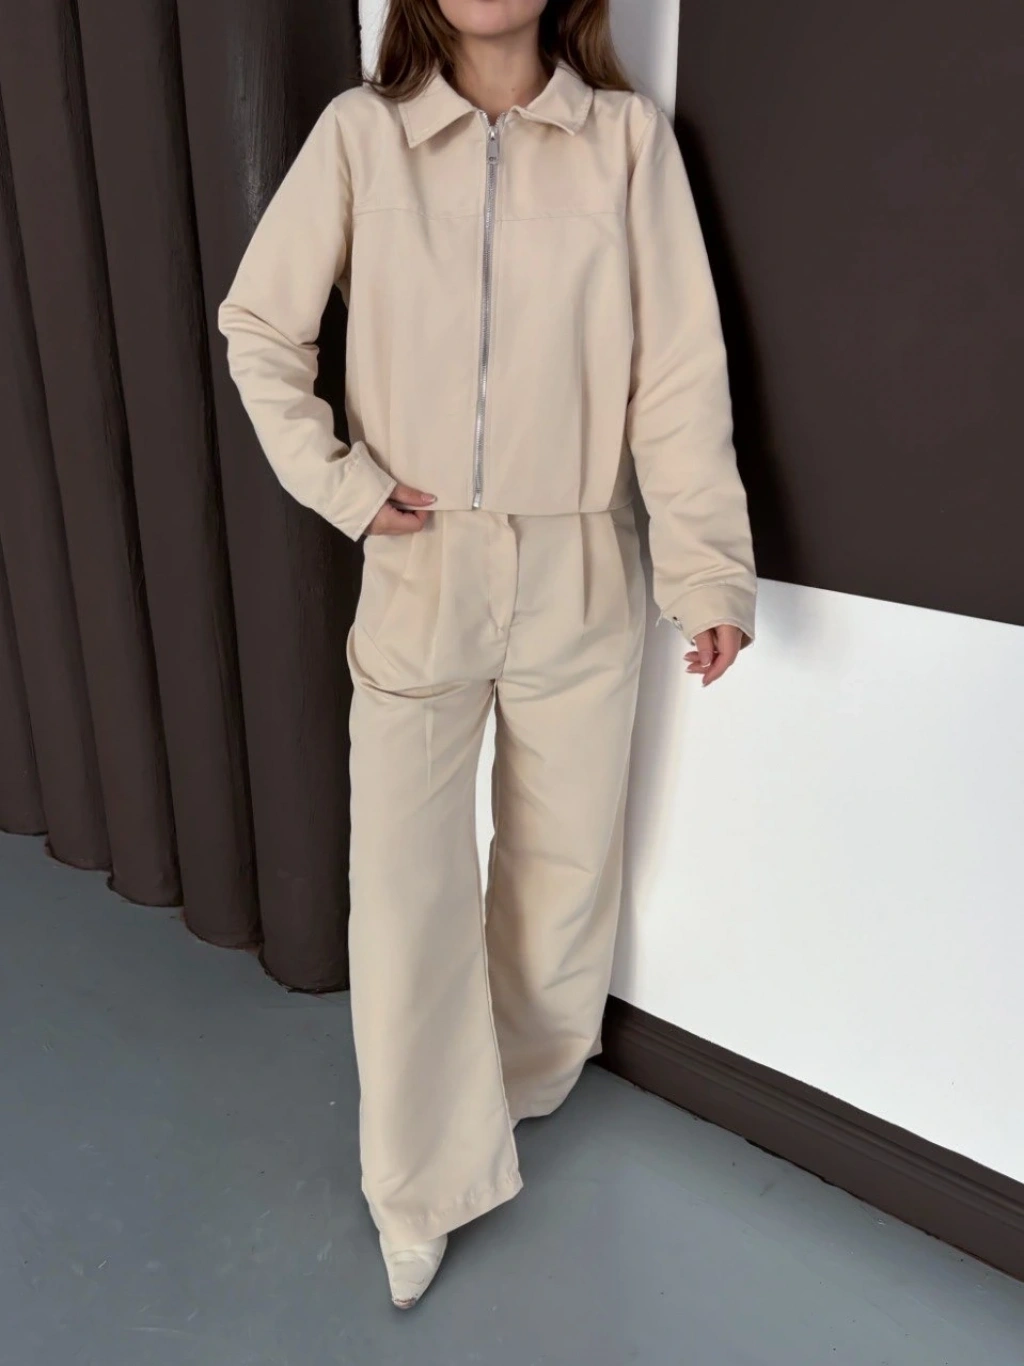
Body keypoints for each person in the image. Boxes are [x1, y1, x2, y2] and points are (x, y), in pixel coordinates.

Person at [218, 0, 757, 1310]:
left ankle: (510, 1090)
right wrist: (346, 488)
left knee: (562, 875)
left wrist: (704, 568)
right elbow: (260, 327)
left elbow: (678, 376)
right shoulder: (364, 137)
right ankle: (416, 1184)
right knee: (404, 884)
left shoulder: (627, 142)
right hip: (424, 564)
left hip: (582, 561)